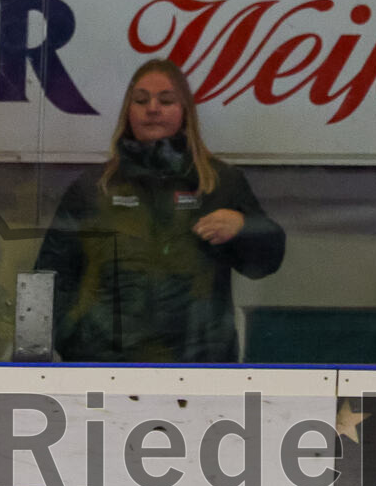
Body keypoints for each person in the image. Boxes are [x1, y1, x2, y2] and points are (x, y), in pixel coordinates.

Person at [35, 58, 285, 362]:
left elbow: (266, 262)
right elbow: (49, 277)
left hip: (198, 369)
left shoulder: (218, 183)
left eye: (166, 100)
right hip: (105, 367)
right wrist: (73, 339)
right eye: (141, 100)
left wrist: (244, 227)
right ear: (128, 112)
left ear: (185, 112)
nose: (152, 108)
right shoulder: (93, 189)